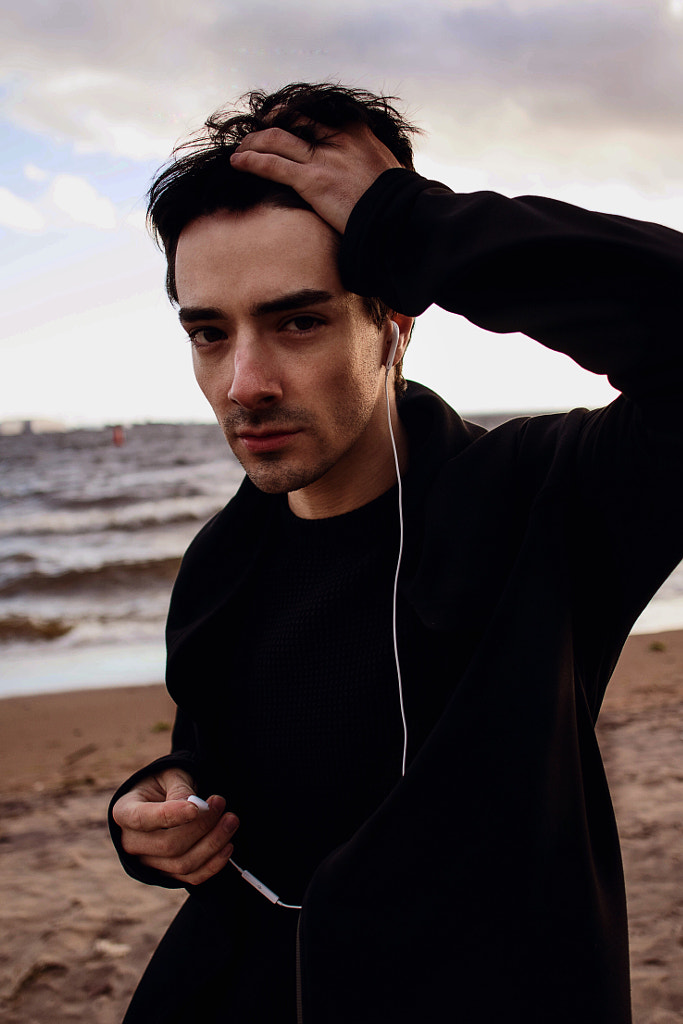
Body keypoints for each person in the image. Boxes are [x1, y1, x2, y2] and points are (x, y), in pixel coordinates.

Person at [109, 83, 683, 1023]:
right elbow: (218, 764)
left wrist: (411, 221)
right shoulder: (220, 559)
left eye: (298, 321)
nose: (244, 383)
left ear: (394, 324)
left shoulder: (545, 503)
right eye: (210, 333)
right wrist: (155, 815)